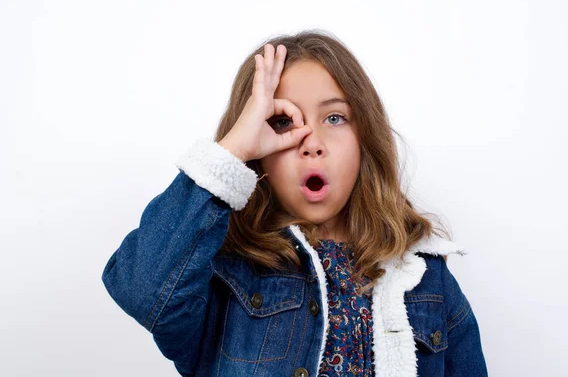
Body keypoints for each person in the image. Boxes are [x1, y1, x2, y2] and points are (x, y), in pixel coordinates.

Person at [101, 30, 488, 377]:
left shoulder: (425, 280)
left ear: (364, 138)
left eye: (335, 118)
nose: (312, 142)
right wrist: (234, 147)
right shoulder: (221, 276)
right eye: (284, 122)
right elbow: (141, 290)